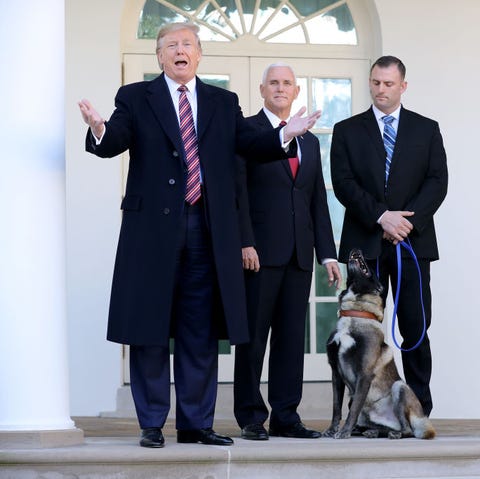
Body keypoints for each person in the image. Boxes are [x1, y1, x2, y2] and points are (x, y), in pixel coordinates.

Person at [78, 23, 320, 448]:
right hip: (152, 233)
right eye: (171, 45)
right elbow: (114, 140)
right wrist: (99, 128)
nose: (179, 50)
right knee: (150, 328)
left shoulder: (222, 102)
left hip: (209, 231)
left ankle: (196, 423)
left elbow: (251, 142)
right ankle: (152, 423)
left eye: (187, 44)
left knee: (200, 329)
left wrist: (285, 133)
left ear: (199, 55)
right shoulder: (136, 97)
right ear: (159, 56)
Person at [330, 55, 448, 416]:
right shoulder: (347, 129)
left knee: (415, 327)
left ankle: (418, 410)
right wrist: (382, 217)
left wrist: (404, 223)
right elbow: (343, 183)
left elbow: (437, 181)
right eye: (376, 83)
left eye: (388, 84)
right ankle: (363, 413)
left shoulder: (426, 129)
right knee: (362, 333)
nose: (381, 90)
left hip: (412, 243)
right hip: (364, 245)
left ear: (403, 86)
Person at [234, 63, 342, 441]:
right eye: (273, 83)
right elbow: (239, 193)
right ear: (262, 89)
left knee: (291, 338)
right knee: (253, 339)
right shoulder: (246, 130)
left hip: (299, 254)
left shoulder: (310, 141)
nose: (280, 89)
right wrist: (245, 241)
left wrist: (327, 254)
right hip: (259, 254)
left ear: (296, 92)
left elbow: (316, 199)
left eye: (287, 84)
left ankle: (285, 416)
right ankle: (250, 416)